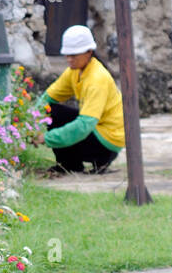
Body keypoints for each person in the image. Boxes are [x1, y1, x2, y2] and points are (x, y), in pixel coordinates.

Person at [40, 25, 125, 175]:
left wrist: (46, 138)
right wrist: (27, 120)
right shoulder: (74, 71)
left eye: (74, 55)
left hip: (106, 143)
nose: (69, 59)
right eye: (67, 55)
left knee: (68, 122)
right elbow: (47, 98)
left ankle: (77, 164)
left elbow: (84, 126)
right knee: (51, 111)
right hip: (96, 130)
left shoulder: (97, 79)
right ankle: (70, 165)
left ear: (89, 53)